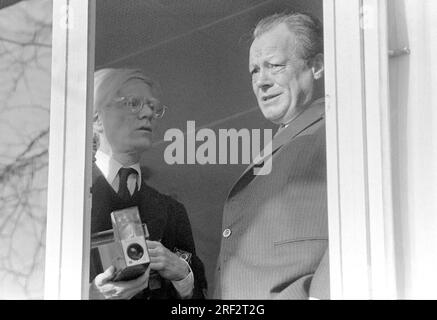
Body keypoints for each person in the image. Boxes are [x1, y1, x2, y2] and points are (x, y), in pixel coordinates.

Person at [214, 12, 329, 299]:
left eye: (274, 66)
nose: (261, 82)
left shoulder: (339, 129)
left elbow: (361, 222)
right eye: (254, 70)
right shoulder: (281, 140)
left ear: (316, 66)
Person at [89, 68, 207, 299]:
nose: (147, 114)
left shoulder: (172, 212)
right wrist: (90, 295)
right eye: (133, 103)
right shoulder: (66, 200)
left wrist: (183, 275)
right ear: (96, 117)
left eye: (153, 107)